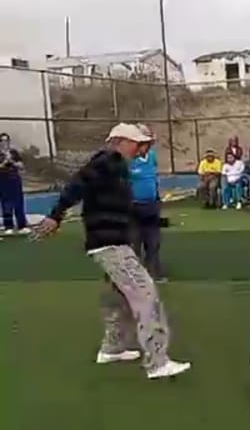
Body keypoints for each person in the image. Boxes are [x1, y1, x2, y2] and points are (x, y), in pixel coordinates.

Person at [33, 123, 190, 380]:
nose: (141, 149)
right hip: (110, 243)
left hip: (111, 241)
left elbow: (117, 206)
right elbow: (76, 186)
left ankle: (112, 348)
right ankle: (157, 361)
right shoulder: (108, 161)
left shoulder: (116, 167)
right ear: (120, 142)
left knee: (119, 297)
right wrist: (55, 216)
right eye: (137, 143)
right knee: (145, 294)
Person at [129, 126, 165, 280]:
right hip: (133, 207)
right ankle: (134, 276)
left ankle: (154, 273)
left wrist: (157, 197)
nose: (146, 146)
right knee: (134, 242)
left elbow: (154, 176)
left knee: (153, 242)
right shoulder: (128, 160)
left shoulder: (151, 156)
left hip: (151, 206)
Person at [0, 132, 29, 235]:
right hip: (3, 181)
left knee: (18, 203)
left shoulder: (13, 152)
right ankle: (8, 226)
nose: (4, 143)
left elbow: (21, 165)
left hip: (15, 180)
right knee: (6, 204)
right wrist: (5, 162)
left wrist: (13, 162)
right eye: (2, 141)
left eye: (6, 140)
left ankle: (22, 226)